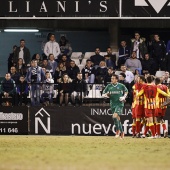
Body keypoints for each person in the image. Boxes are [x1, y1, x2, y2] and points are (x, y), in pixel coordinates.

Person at [102, 74, 128, 139]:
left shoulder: (121, 85)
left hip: (119, 103)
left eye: (113, 78)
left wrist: (123, 97)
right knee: (116, 118)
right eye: (111, 78)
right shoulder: (109, 86)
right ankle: (120, 131)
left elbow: (126, 91)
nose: (112, 79)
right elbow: (103, 93)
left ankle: (119, 132)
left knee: (115, 116)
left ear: (116, 79)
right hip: (112, 104)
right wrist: (105, 95)